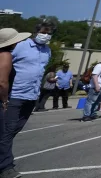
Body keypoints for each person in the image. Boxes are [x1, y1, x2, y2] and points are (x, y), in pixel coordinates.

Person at [1, 21, 52, 178]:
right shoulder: (20, 46)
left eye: (49, 33)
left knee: (14, 129)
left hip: (32, 95)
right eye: (43, 32)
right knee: (7, 131)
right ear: (36, 32)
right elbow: (5, 65)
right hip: (15, 94)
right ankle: (5, 167)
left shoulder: (47, 51)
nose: (46, 35)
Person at [0, 28, 32, 178]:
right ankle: (5, 167)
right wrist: (4, 100)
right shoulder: (5, 55)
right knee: (3, 134)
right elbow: (2, 82)